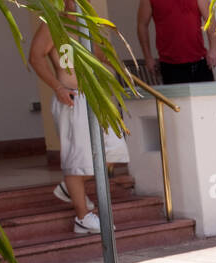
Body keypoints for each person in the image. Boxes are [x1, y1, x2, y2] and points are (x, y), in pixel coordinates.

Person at [28, 0, 130, 235]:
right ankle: (82, 217)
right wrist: (57, 87)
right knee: (78, 159)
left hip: (95, 97)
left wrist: (112, 60)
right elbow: (36, 57)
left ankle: (70, 187)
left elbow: (97, 53)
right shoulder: (53, 23)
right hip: (72, 98)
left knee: (114, 150)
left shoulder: (85, 23)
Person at [138, 0, 216, 85]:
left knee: (206, 97)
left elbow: (210, 20)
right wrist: (148, 57)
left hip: (199, 61)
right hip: (170, 65)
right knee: (173, 99)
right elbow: (142, 25)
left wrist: (213, 49)